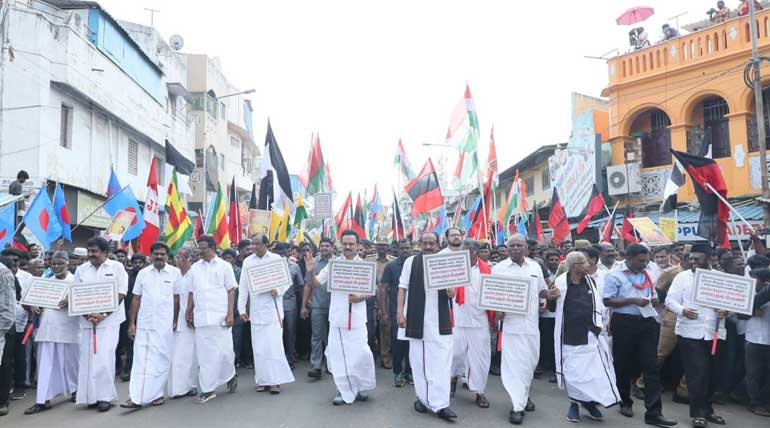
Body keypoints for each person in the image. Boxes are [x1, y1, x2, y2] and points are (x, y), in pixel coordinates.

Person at [603, 244, 677, 427]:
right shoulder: (614, 275)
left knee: (651, 367)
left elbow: (653, 295)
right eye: (641, 261)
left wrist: (653, 299)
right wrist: (631, 300)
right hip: (624, 322)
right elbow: (607, 300)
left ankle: (654, 412)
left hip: (647, 322)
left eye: (646, 261)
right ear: (628, 258)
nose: (645, 264)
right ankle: (624, 400)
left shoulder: (648, 275)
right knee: (623, 364)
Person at [306, 229, 376, 406]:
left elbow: (371, 291)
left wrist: (359, 297)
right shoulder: (333, 264)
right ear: (341, 244)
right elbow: (315, 284)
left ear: (358, 245)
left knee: (360, 353)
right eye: (345, 243)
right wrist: (310, 271)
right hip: (338, 318)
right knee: (339, 355)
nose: (348, 247)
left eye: (351, 244)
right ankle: (342, 388)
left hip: (358, 319)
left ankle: (359, 386)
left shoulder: (365, 265)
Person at [665, 243, 728, 428]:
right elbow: (670, 300)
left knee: (714, 374)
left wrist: (726, 312)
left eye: (696, 259)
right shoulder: (682, 278)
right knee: (697, 374)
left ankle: (708, 410)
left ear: (708, 259)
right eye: (690, 258)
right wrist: (683, 310)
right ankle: (698, 413)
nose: (692, 262)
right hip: (690, 333)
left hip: (715, 333)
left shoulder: (721, 278)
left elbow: (732, 304)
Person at [397, 231, 457, 420]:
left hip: (440, 321)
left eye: (432, 243)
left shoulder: (445, 261)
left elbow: (453, 291)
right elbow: (402, 288)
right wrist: (399, 312)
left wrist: (451, 292)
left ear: (439, 245)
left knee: (441, 363)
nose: (429, 246)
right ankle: (422, 399)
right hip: (417, 319)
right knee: (419, 363)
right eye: (425, 243)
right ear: (420, 244)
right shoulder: (411, 262)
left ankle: (441, 404)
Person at [554, 252, 620, 422]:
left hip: (591, 333)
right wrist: (549, 298)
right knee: (574, 373)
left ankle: (589, 403)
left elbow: (598, 305)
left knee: (593, 372)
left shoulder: (591, 281)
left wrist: (602, 325)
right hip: (569, 335)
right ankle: (574, 404)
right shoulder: (561, 283)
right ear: (574, 266)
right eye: (583, 263)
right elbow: (554, 307)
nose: (588, 265)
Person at [493, 234, 552, 424]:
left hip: (532, 324)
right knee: (513, 366)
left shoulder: (535, 266)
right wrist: (496, 311)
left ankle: (524, 396)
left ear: (526, 248)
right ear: (508, 248)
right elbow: (491, 294)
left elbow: (541, 290)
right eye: (512, 246)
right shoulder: (499, 268)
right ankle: (517, 406)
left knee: (529, 363)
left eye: (519, 245)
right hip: (511, 325)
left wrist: (550, 293)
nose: (516, 249)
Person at [119, 242, 181, 409]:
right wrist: (132, 323)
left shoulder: (175, 273)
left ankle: (157, 394)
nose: (159, 257)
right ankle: (135, 397)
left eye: (162, 254)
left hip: (164, 324)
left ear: (167, 256)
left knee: (161, 358)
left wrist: (175, 321)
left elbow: (177, 299)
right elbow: (136, 299)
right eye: (156, 254)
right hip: (145, 323)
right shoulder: (143, 274)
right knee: (141, 361)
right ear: (151, 255)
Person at [73, 237, 128, 412]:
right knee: (88, 359)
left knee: (104, 358)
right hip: (87, 321)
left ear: (105, 252)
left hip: (109, 322)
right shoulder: (81, 270)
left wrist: (103, 314)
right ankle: (90, 396)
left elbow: (121, 293)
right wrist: (88, 314)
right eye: (89, 251)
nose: (91, 255)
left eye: (94, 251)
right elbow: (76, 295)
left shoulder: (117, 268)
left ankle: (105, 397)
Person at [238, 233, 294, 394]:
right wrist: (242, 309)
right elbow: (243, 287)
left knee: (273, 346)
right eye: (252, 244)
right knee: (259, 348)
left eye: (257, 244)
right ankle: (263, 380)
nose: (253, 247)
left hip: (273, 310)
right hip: (256, 311)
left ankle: (275, 381)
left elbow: (286, 282)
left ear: (266, 244)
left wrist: (279, 290)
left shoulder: (276, 259)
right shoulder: (248, 262)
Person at [185, 235, 238, 404]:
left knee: (225, 352)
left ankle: (230, 375)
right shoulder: (195, 268)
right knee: (205, 356)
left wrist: (230, 314)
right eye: (199, 248)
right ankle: (208, 390)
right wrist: (188, 311)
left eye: (203, 248)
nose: (200, 251)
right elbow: (192, 292)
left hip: (220, 317)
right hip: (202, 318)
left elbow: (231, 290)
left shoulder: (225, 266)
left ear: (213, 248)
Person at [24, 252, 78, 415]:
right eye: (53, 264)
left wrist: (71, 301)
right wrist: (34, 307)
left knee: (72, 365)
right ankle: (43, 400)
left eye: (60, 263)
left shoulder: (76, 282)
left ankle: (76, 389)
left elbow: (85, 305)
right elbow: (30, 304)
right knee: (45, 365)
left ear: (67, 263)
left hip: (70, 330)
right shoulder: (45, 283)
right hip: (47, 330)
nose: (56, 267)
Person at [450, 239, 492, 409]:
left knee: (480, 358)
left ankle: (479, 392)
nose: (463, 253)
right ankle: (452, 380)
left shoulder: (488, 270)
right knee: (454, 355)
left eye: (466, 250)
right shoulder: (454, 268)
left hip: (479, 321)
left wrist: (495, 316)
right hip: (457, 320)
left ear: (475, 252)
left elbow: (492, 294)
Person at [380, 238, 413, 387]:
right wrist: (385, 312)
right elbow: (383, 290)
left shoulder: (417, 265)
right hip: (396, 311)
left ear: (412, 248)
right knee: (398, 344)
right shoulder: (391, 267)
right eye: (402, 248)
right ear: (397, 250)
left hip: (414, 311)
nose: (405, 251)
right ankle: (398, 373)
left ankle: (409, 373)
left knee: (412, 344)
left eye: (407, 248)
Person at [168, 248, 198, 399]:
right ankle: (178, 388)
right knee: (177, 354)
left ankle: (190, 385)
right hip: (175, 318)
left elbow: (196, 296)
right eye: (176, 258)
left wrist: (191, 314)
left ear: (189, 259)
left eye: (182, 258)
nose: (178, 261)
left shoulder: (194, 274)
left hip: (191, 318)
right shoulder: (172, 274)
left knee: (190, 355)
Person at [301, 237, 333, 379]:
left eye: (327, 246)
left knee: (332, 338)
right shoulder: (313, 263)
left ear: (332, 247)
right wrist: (304, 306)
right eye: (322, 246)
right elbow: (308, 285)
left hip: (335, 307)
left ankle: (331, 366)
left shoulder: (338, 262)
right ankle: (316, 366)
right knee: (317, 337)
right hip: (318, 306)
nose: (325, 248)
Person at [743, 268, 770, 416]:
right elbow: (741, 315)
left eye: (754, 279)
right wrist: (752, 310)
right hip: (753, 339)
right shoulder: (748, 295)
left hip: (768, 339)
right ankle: (755, 403)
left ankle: (765, 402)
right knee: (753, 374)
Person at [368, 238, 395, 369]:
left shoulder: (393, 261)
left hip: (387, 299)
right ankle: (370, 356)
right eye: (379, 245)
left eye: (384, 245)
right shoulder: (368, 260)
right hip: (370, 298)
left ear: (387, 247)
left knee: (385, 328)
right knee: (370, 329)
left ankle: (385, 357)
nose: (381, 248)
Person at [0, 257, 18, 416]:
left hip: (2, 328)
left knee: (3, 364)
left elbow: (7, 310)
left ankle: (2, 401)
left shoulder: (3, 273)